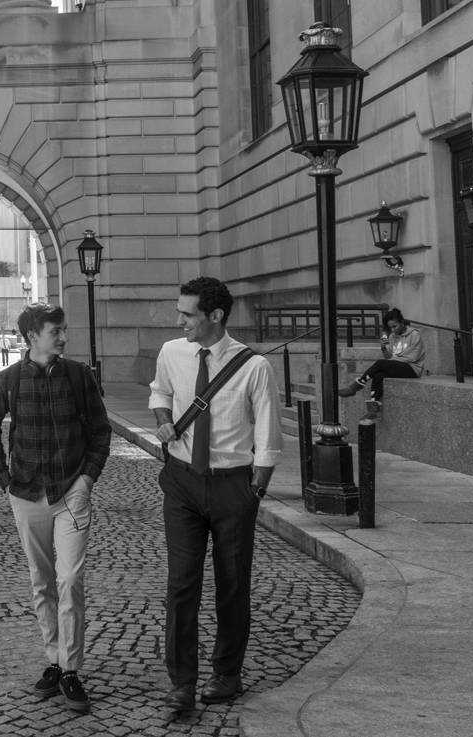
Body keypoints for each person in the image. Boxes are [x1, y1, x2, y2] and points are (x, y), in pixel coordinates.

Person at [149, 277, 281, 713]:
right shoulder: (172, 352)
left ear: (216, 316)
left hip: (233, 485)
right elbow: (160, 391)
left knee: (232, 585)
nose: (180, 320)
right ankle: (181, 682)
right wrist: (164, 419)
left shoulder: (254, 367)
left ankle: (227, 673)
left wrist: (254, 491)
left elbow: (268, 433)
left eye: (188, 314)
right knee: (182, 584)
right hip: (183, 483)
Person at [0, 303, 111, 714]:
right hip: (27, 494)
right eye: (56, 331)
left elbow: (101, 430)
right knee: (42, 581)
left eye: (63, 330)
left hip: (71, 491)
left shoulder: (78, 375)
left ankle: (71, 669)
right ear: (32, 335)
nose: (63, 337)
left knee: (70, 578)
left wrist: (87, 478)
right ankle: (54, 660)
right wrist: (6, 483)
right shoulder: (7, 381)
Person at [338, 307, 424, 420]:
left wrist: (391, 360)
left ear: (402, 323)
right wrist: (383, 348)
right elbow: (388, 356)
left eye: (395, 326)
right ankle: (373, 410)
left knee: (380, 363)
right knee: (379, 375)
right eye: (390, 327)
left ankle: (355, 387)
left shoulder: (414, 334)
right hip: (398, 366)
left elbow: (413, 357)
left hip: (413, 368)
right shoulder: (393, 336)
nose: (393, 330)